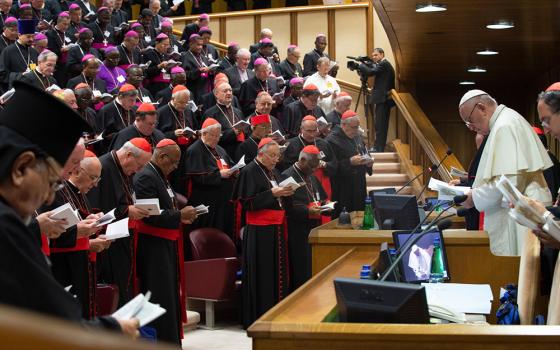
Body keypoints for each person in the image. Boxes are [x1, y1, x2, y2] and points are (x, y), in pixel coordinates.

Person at [0, 80, 138, 337]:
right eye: (53, 181)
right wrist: (114, 329)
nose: (51, 193)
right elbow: (54, 324)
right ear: (21, 169)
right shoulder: (7, 226)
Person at [457, 90, 552, 256]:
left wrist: (474, 197)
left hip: (521, 217)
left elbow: (509, 184)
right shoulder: (504, 121)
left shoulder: (504, 125)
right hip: (521, 212)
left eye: (470, 120)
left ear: (481, 108)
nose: (471, 128)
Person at [133, 139, 197, 345]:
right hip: (153, 247)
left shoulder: (160, 174)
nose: (176, 167)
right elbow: (150, 215)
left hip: (166, 244)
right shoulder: (145, 177)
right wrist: (179, 215)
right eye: (174, 162)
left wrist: (180, 216)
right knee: (160, 295)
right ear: (161, 157)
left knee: (169, 295)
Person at [232, 137, 294, 329]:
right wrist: (273, 194)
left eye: (278, 155)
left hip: (275, 228)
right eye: (273, 155)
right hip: (260, 232)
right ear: (261, 154)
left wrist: (285, 193)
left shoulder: (271, 171)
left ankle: (276, 312)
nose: (277, 159)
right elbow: (247, 203)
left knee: (276, 273)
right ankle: (259, 316)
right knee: (263, 275)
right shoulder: (250, 171)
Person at [87, 138, 152, 307]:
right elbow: (95, 208)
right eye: (139, 165)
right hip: (107, 243)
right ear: (129, 155)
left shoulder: (125, 169)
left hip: (123, 238)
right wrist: (126, 211)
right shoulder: (103, 167)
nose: (140, 170)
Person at [46, 151, 109, 320]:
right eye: (93, 178)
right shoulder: (55, 191)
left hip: (79, 263)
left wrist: (90, 224)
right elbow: (53, 232)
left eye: (98, 179)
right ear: (78, 170)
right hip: (64, 267)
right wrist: (83, 236)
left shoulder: (76, 193)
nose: (95, 184)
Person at [282, 145, 327, 290]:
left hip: (314, 226)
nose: (315, 170)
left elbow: (322, 197)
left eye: (316, 167)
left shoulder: (311, 175)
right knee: (301, 266)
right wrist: (308, 211)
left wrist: (326, 205)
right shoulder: (287, 176)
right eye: (312, 167)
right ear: (302, 160)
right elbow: (288, 207)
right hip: (298, 230)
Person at [185, 118, 236, 239]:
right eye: (214, 136)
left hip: (222, 201)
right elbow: (197, 177)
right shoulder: (194, 150)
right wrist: (219, 175)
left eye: (219, 136)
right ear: (204, 133)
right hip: (206, 200)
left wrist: (235, 170)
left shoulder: (220, 149)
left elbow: (230, 164)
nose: (217, 139)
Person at [326, 110, 373, 217]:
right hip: (342, 187)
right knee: (344, 219)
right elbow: (330, 167)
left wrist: (369, 163)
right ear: (343, 125)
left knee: (360, 216)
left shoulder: (357, 136)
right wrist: (349, 162)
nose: (357, 130)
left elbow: (365, 152)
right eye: (354, 127)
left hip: (359, 184)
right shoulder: (331, 140)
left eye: (357, 126)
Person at [280, 116, 336, 200]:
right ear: (301, 129)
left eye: (315, 130)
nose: (312, 134)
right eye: (309, 131)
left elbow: (334, 163)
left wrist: (325, 165)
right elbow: (285, 167)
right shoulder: (290, 144)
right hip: (300, 183)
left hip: (321, 182)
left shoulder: (323, 143)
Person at [156, 84, 197, 194]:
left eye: (186, 102)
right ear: (173, 98)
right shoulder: (161, 112)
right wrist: (173, 134)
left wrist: (193, 134)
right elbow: (157, 135)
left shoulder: (188, 111)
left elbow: (195, 128)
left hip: (186, 153)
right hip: (169, 156)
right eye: (181, 102)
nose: (184, 106)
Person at [358, 48, 395, 152]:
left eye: (376, 55)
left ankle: (378, 149)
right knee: (379, 125)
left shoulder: (384, 64)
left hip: (383, 99)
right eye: (372, 55)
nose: (374, 57)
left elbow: (371, 72)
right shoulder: (382, 64)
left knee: (380, 126)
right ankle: (378, 148)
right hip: (382, 99)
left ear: (382, 54)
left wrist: (360, 65)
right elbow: (373, 69)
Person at [204, 82, 245, 159]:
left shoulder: (238, 112)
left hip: (240, 151)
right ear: (216, 94)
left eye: (230, 90)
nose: (229, 93)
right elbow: (208, 137)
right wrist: (232, 133)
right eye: (225, 91)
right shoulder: (210, 113)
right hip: (222, 153)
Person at [0, 19, 38, 92]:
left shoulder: (34, 52)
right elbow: (2, 75)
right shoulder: (8, 51)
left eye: (33, 36)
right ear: (19, 35)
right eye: (28, 36)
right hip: (14, 90)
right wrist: (21, 75)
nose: (31, 39)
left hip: (30, 90)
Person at [182, 33, 212, 104]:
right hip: (193, 90)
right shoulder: (185, 57)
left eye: (201, 45)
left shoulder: (204, 58)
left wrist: (211, 70)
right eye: (198, 45)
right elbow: (184, 75)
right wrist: (198, 71)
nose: (200, 47)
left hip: (205, 89)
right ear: (191, 44)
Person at [143, 33, 173, 97]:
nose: (166, 47)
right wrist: (159, 66)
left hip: (166, 85)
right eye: (164, 44)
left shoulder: (166, 55)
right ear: (157, 43)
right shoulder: (149, 53)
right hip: (154, 87)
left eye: (168, 45)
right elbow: (146, 72)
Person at [45, 11, 71, 87]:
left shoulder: (68, 34)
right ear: (58, 22)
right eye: (64, 24)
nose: (66, 27)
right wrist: (61, 50)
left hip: (67, 67)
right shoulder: (50, 34)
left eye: (68, 25)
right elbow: (50, 51)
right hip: (57, 67)